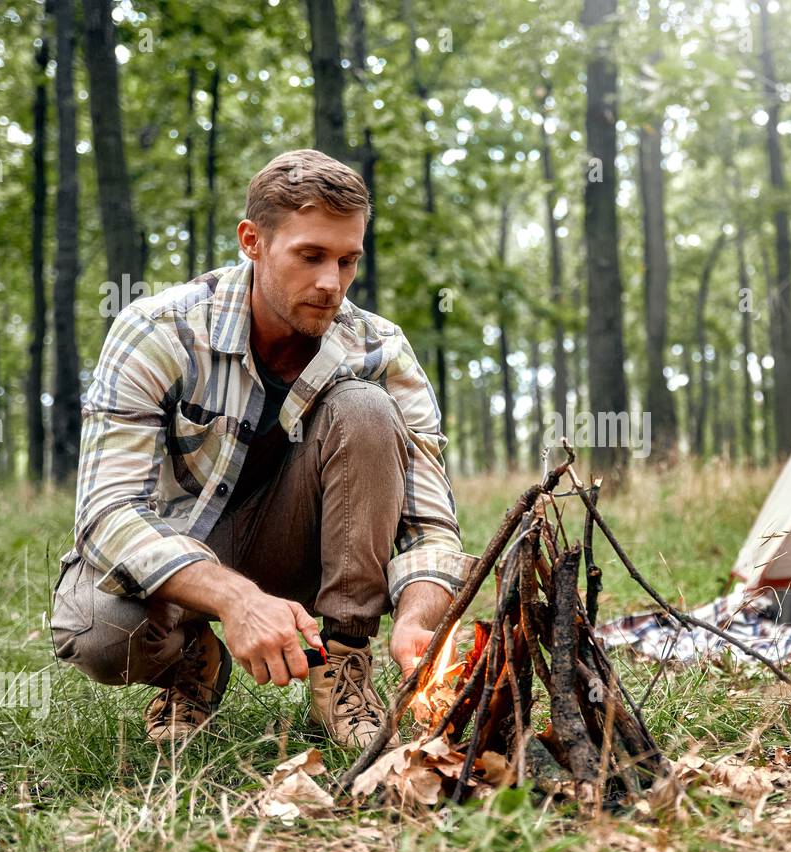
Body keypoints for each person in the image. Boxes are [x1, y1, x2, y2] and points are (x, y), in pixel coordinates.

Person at [48, 149, 476, 749]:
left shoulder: (380, 348)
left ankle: (345, 663)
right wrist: (236, 600)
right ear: (253, 241)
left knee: (364, 407)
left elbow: (430, 523)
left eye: (347, 260)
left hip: (301, 544)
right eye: (310, 256)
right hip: (184, 553)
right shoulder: (158, 330)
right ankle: (193, 661)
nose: (331, 282)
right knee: (95, 633)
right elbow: (106, 514)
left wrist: (415, 617)